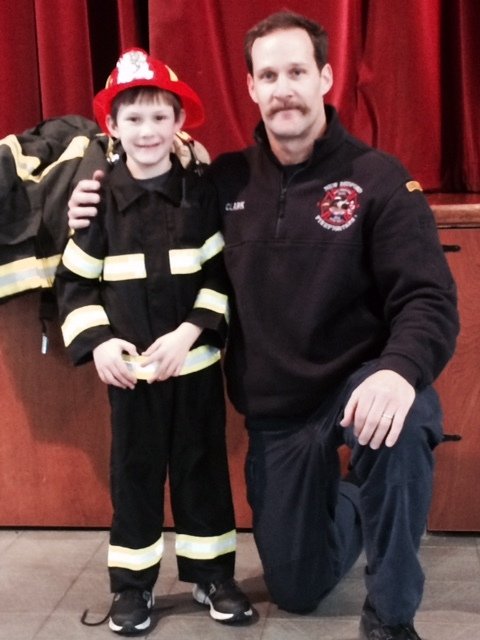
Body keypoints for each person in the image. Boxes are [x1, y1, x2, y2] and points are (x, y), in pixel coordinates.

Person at [66, 13, 459, 640]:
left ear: (325, 78)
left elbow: (429, 299)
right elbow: (145, 183)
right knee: (297, 590)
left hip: (360, 386)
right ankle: (355, 499)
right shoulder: (220, 182)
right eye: (269, 76)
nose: (284, 89)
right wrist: (87, 197)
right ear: (250, 87)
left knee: (401, 421)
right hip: (280, 415)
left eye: (297, 72)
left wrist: (399, 370)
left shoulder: (380, 179)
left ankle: (390, 618)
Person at [55, 48, 252, 635]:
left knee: (203, 471)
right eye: (133, 118)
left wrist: (190, 333)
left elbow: (219, 277)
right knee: (134, 476)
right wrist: (99, 344)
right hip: (131, 377)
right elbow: (74, 284)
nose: (147, 130)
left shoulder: (202, 195)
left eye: (159, 116)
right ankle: (132, 586)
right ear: (111, 126)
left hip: (194, 368)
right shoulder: (96, 205)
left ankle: (212, 577)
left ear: (179, 122)